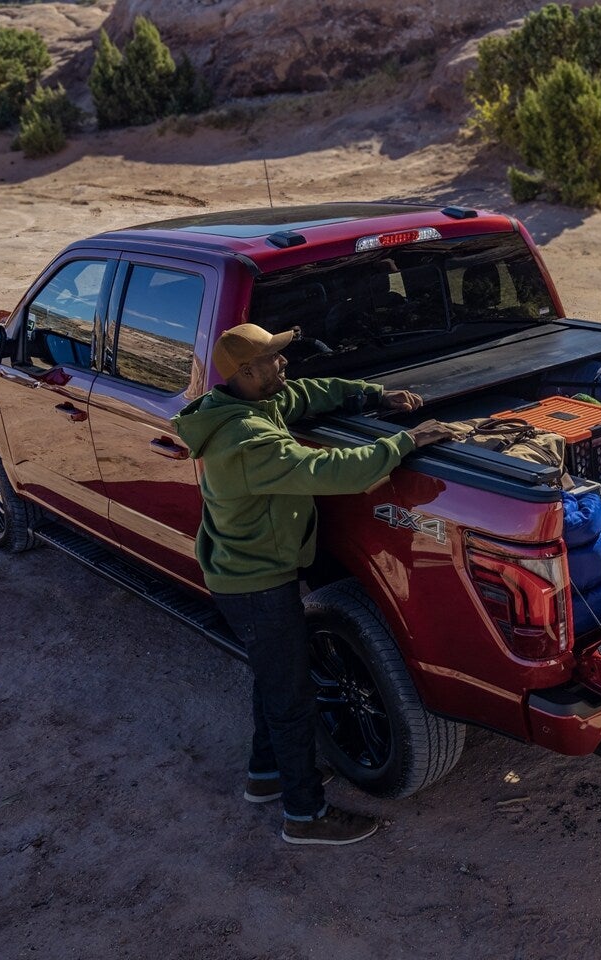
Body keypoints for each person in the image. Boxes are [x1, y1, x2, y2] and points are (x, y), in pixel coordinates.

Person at [173, 323, 454, 845]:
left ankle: (267, 776)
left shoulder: (253, 403)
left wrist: (373, 394)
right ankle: (304, 815)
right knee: (291, 698)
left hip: (250, 574)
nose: (285, 365)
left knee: (275, 677)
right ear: (246, 372)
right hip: (254, 584)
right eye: (275, 359)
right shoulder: (245, 439)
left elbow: (307, 394)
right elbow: (330, 470)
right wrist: (408, 439)